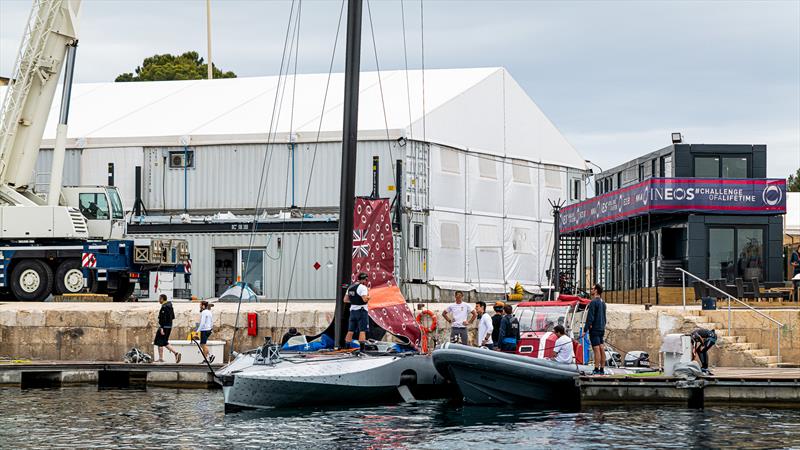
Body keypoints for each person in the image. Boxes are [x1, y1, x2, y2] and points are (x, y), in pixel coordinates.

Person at [153, 294, 181, 363]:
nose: (158, 300)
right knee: (164, 342)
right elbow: (173, 317)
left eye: (159, 298)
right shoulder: (170, 306)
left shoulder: (164, 307)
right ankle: (176, 353)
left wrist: (162, 328)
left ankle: (161, 359)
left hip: (164, 327)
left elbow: (163, 318)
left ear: (162, 299)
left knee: (159, 341)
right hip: (169, 326)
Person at [586, 284, 607, 375]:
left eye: (592, 289)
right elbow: (604, 317)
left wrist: (586, 329)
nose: (591, 290)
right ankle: (602, 369)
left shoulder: (593, 302)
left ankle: (596, 368)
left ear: (596, 290)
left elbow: (590, 317)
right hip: (601, 328)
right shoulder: (603, 303)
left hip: (594, 329)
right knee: (601, 348)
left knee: (596, 349)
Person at [345, 272, 370, 347]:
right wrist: (369, 295)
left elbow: (345, 300)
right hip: (361, 311)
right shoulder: (363, 288)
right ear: (364, 279)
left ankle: (347, 347)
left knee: (350, 331)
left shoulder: (350, 287)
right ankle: (362, 349)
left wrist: (354, 301)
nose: (366, 281)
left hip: (352, 311)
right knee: (362, 331)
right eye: (366, 280)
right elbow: (365, 299)